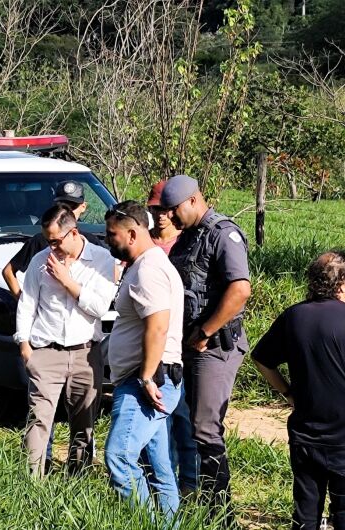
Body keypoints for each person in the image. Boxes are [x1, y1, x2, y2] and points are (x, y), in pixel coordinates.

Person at [252, 251, 345, 530]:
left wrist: (289, 393)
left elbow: (261, 359)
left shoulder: (293, 316)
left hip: (307, 434)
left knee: (305, 515)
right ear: (344, 283)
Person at [160, 174, 251, 518]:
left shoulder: (223, 234)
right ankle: (198, 496)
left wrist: (205, 331)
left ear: (194, 201)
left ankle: (220, 512)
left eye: (174, 209)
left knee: (205, 427)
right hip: (189, 346)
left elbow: (240, 290)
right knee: (191, 423)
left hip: (215, 346)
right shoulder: (188, 238)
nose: (169, 216)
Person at [2, 180, 104, 473]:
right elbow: (24, 296)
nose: (52, 246)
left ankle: (78, 479)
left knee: (84, 422)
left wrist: (66, 281)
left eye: (72, 207)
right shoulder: (39, 254)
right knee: (39, 419)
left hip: (86, 351)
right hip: (45, 350)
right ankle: (33, 482)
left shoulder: (98, 257)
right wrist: (25, 345)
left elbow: (100, 306)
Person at [103, 200, 184, 520]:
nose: (108, 240)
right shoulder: (144, 265)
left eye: (112, 235)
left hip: (146, 382)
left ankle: (144, 524)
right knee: (159, 468)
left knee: (119, 457)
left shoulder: (148, 269)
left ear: (133, 233)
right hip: (148, 379)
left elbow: (158, 324)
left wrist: (147, 376)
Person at [147, 180, 198, 496]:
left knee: (185, 418)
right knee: (159, 420)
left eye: (166, 209)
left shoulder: (188, 242)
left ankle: (190, 483)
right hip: (153, 345)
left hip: (184, 342)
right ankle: (162, 483)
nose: (162, 215)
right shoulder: (144, 245)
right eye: (156, 209)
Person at [2, 180, 103, 299]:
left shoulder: (91, 241)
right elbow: (8, 271)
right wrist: (23, 302)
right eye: (63, 206)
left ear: (83, 207)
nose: (68, 211)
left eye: (73, 207)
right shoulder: (40, 240)